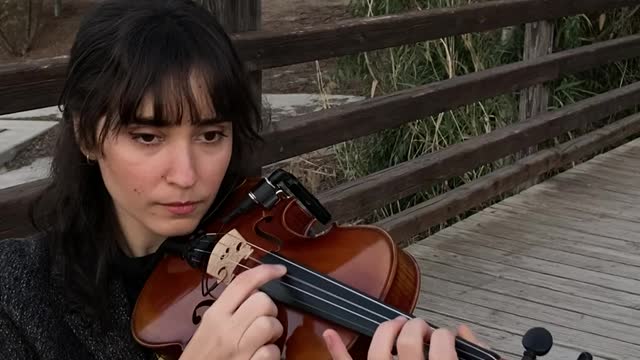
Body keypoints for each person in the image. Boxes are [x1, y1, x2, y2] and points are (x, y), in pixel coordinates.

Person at [0, 0, 484, 359]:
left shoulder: (260, 235)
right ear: (88, 136)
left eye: (211, 135)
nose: (188, 175)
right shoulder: (17, 295)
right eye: (148, 137)